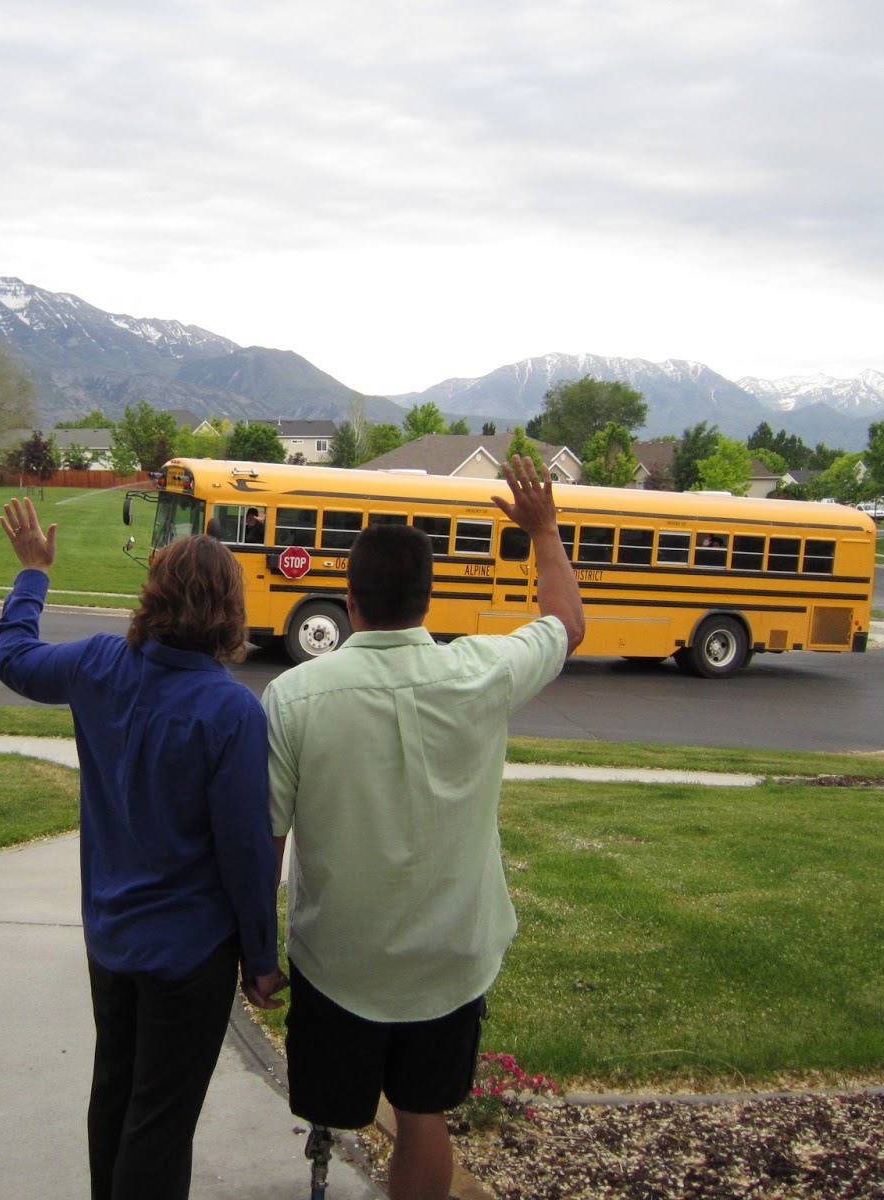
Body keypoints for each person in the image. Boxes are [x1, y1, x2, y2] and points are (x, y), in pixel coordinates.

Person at [262, 455, 586, 1200]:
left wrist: (257, 952)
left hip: (339, 959)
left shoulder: (293, 696)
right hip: (451, 958)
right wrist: (543, 530)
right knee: (423, 1114)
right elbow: (566, 623)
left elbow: (268, 841)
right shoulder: (483, 670)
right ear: (427, 598)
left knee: (333, 1108)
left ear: (350, 597)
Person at [0, 497, 286, 1200]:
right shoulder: (231, 710)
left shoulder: (99, 664)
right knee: (160, 1122)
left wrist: (34, 573)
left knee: (116, 1097)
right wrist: (261, 960)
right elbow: (247, 854)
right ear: (228, 609)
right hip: (189, 958)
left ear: (153, 594)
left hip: (112, 939)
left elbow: (14, 658)